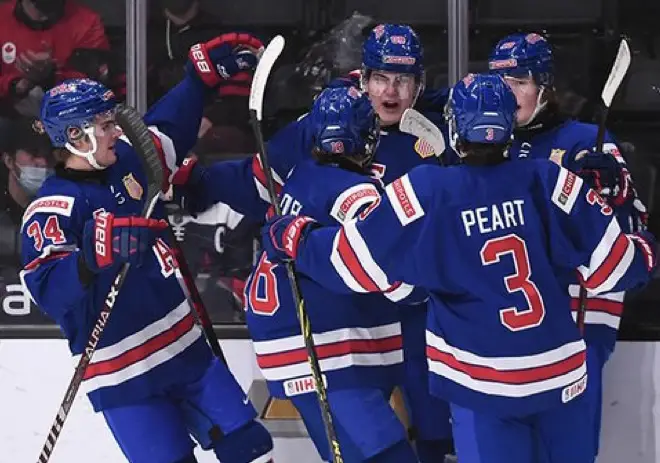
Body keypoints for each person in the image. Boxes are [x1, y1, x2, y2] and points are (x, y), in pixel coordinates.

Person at [259, 73, 658, 463]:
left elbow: (357, 264)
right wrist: (639, 236)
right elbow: (616, 269)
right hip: (561, 379)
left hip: (481, 387)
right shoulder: (551, 179)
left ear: (453, 128)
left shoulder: (426, 189)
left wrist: (297, 238)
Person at [173, 23, 455, 461]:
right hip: (357, 307)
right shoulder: (326, 125)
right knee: (379, 443)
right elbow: (259, 178)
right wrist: (201, 182)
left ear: (420, 82)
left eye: (403, 80)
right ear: (363, 78)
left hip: (404, 308)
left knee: (431, 423)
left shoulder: (438, 132)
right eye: (381, 77)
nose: (391, 91)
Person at [20, 33, 275, 463]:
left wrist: (198, 82)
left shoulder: (128, 159)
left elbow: (168, 131)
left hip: (186, 349)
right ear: (76, 137)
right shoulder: (53, 209)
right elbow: (48, 291)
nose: (115, 130)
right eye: (104, 125)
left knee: (252, 449)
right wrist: (89, 259)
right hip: (125, 377)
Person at [488, 32, 648, 461]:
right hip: (505, 329)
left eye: (518, 81)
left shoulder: (583, 141)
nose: (507, 93)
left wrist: (608, 195)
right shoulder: (483, 144)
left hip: (577, 324)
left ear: (543, 85)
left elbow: (632, 225)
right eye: (499, 81)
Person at [245, 85, 423, 463]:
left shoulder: (302, 172)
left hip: (290, 340)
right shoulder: (356, 192)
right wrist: (421, 287)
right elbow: (383, 268)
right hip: (330, 353)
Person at [0, 0, 116, 119]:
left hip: (70, 119)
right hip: (9, 119)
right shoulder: (2, 17)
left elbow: (91, 85)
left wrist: (51, 77)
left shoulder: (87, 22)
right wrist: (17, 84)